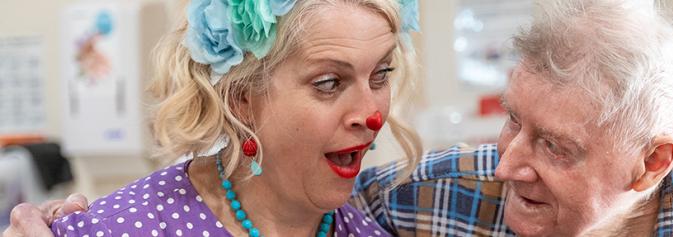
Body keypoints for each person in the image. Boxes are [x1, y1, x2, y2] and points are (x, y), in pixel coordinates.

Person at [4, 0, 673, 237]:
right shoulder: (425, 197)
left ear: (648, 163)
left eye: (554, 146)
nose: (505, 165)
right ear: (242, 97)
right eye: (511, 122)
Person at [7, 0, 424, 236]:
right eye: (330, 82)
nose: (370, 115)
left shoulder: (371, 227)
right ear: (240, 96)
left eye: (380, 74)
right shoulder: (126, 228)